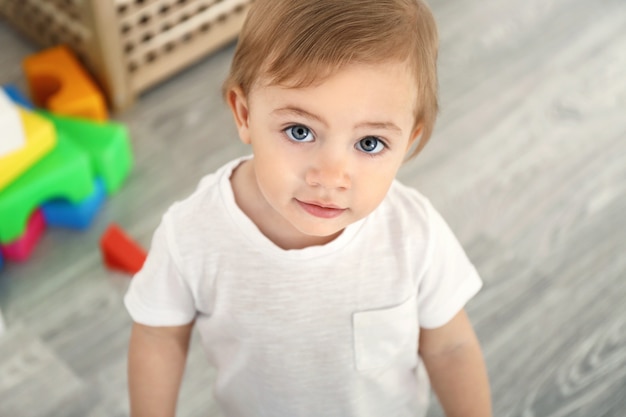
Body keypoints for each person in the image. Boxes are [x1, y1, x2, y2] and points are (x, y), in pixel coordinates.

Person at [124, 0, 492, 416]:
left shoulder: (412, 233)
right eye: (300, 131)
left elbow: (451, 346)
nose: (331, 175)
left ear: (407, 143)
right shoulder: (193, 232)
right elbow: (160, 336)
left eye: (369, 143)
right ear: (244, 114)